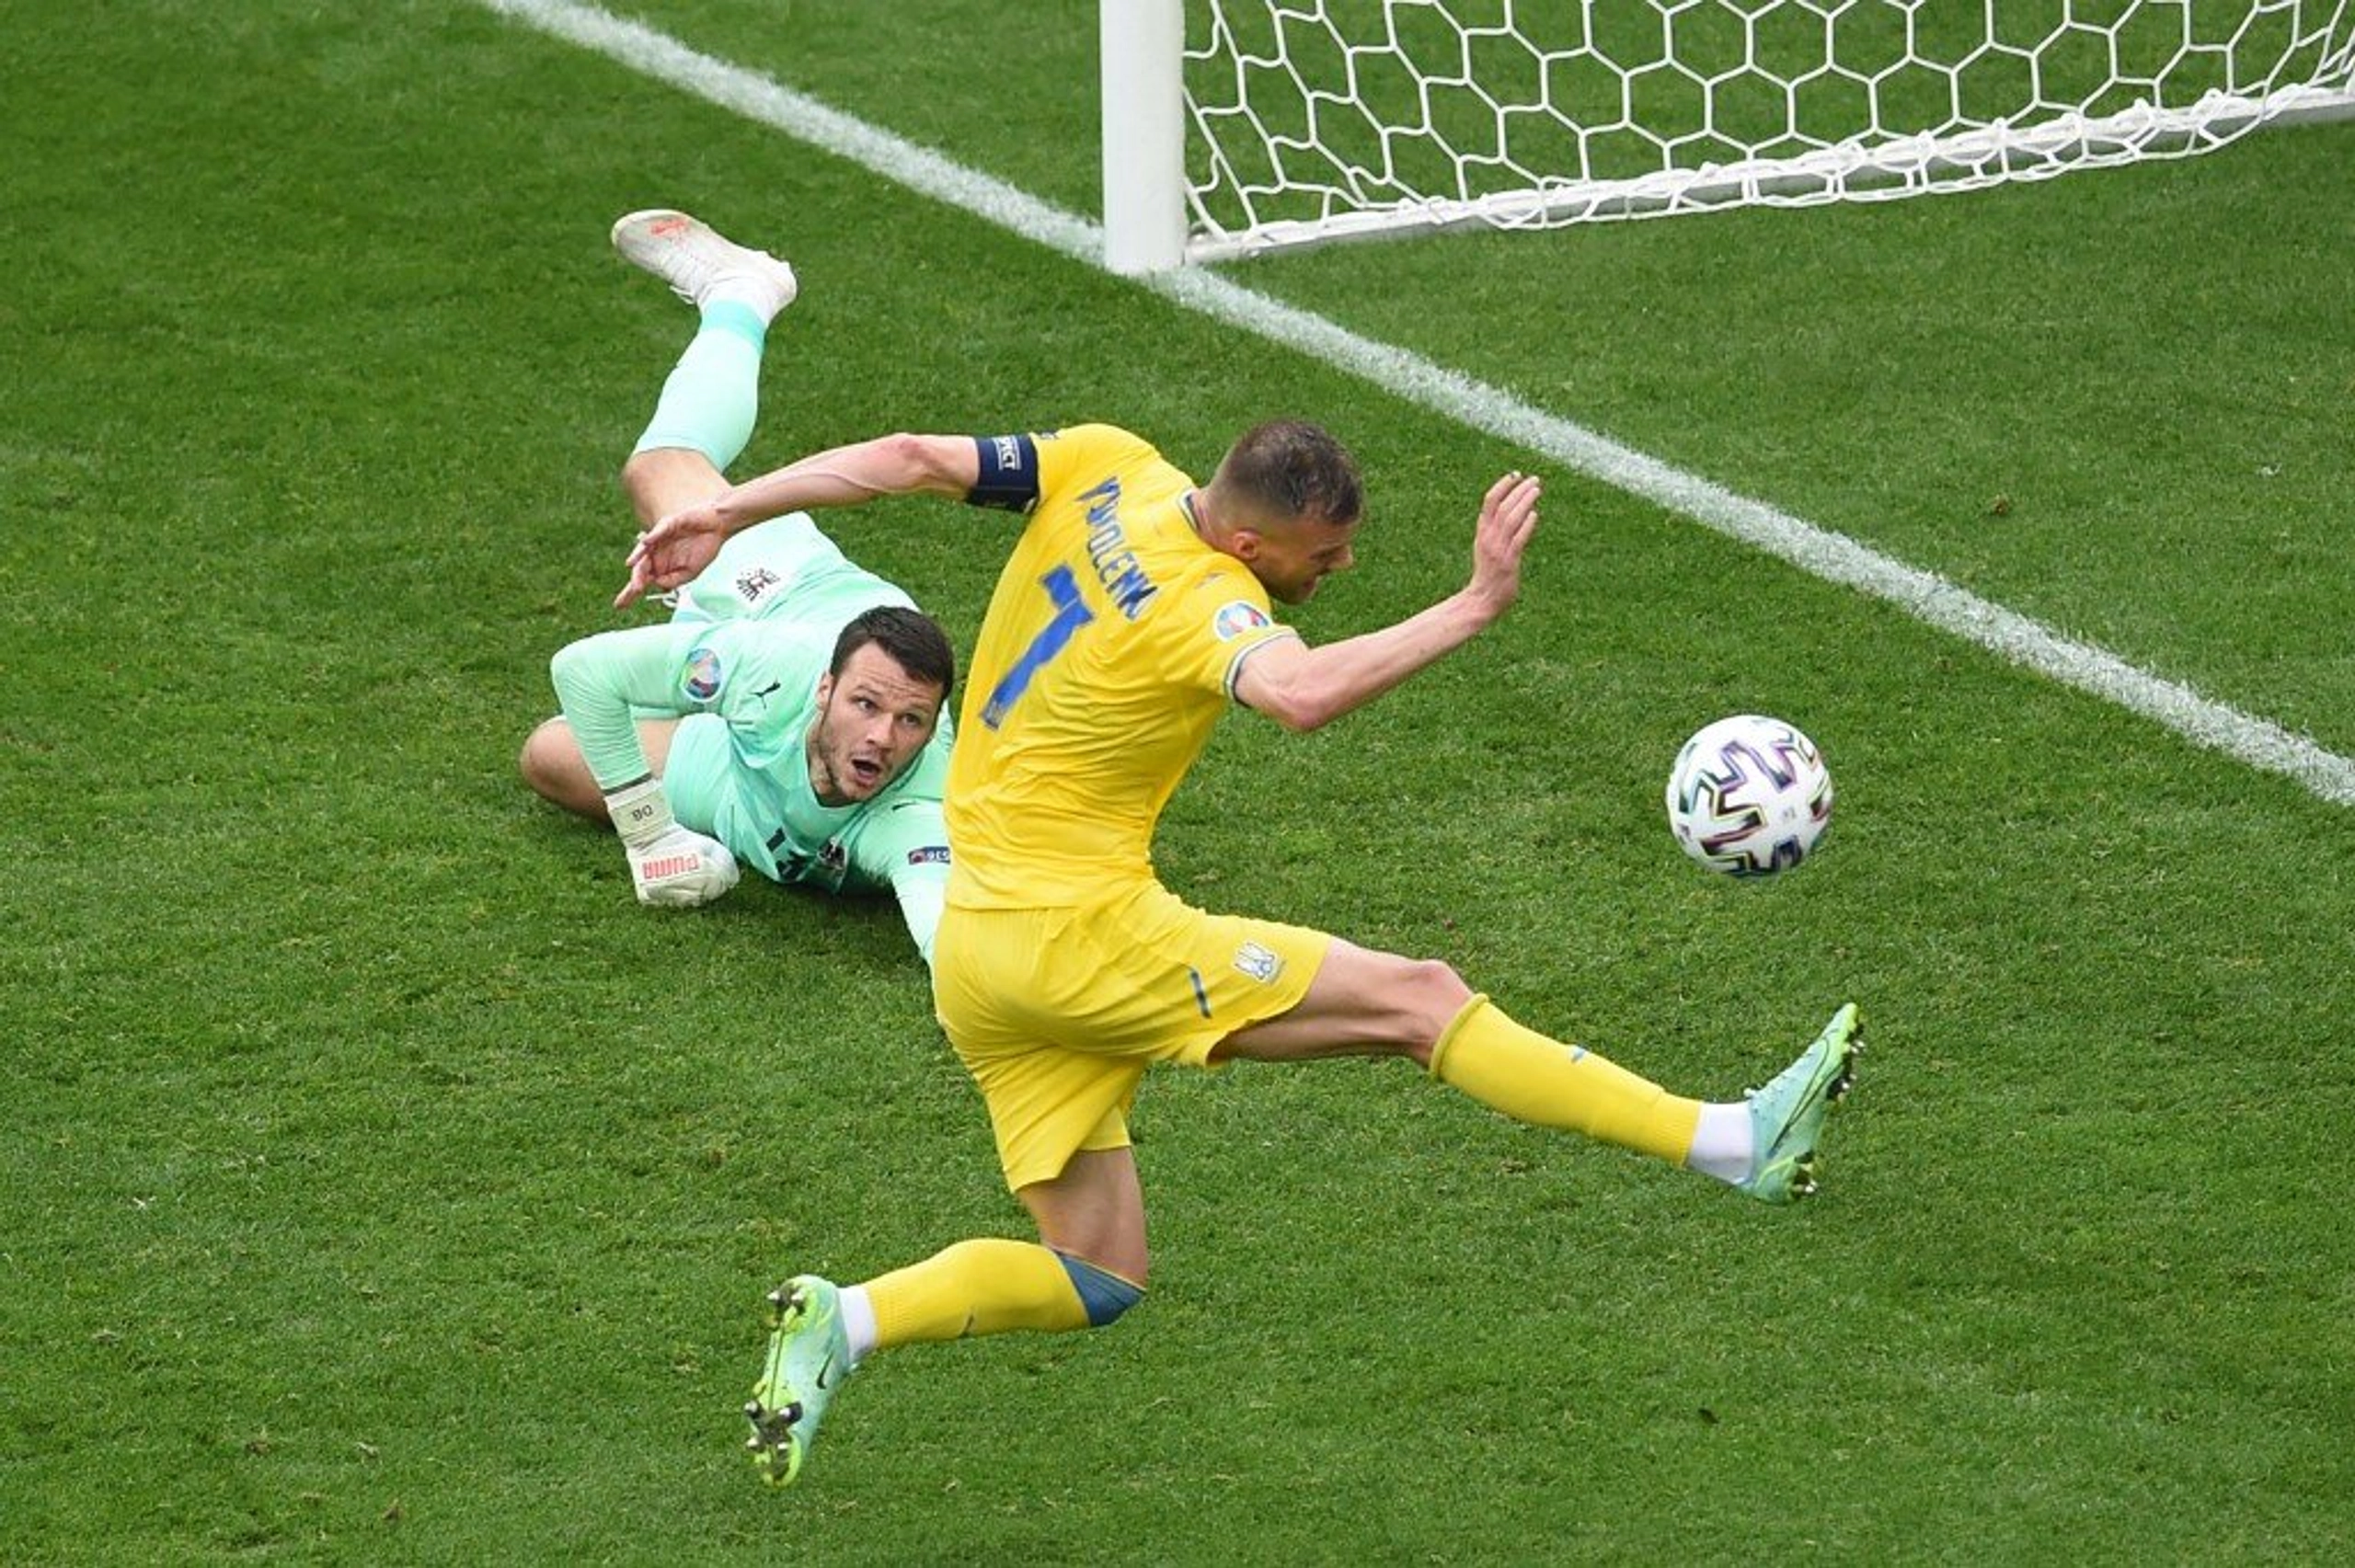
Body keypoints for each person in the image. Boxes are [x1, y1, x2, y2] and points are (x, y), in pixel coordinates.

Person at [619, 320, 1863, 1488]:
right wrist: (1475, 603)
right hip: (1076, 937)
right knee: (1420, 1003)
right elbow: (1301, 694)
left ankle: (850, 1318)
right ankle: (1732, 1143)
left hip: (979, 955)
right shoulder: (1216, 603)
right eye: (1327, 558)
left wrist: (732, 506)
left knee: (1100, 1271)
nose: (1344, 569)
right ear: (1257, 546)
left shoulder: (1102, 464)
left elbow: (904, 458)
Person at [519, 212, 957, 962]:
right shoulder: (774, 665)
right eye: (867, 706)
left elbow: (946, 929)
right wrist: (651, 836)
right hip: (784, 592)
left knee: (551, 754)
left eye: (912, 721)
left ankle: (704, 714)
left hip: (744, 777)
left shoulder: (912, 808)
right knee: (659, 471)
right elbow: (580, 668)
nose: (885, 738)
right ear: (825, 689)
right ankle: (741, 293)